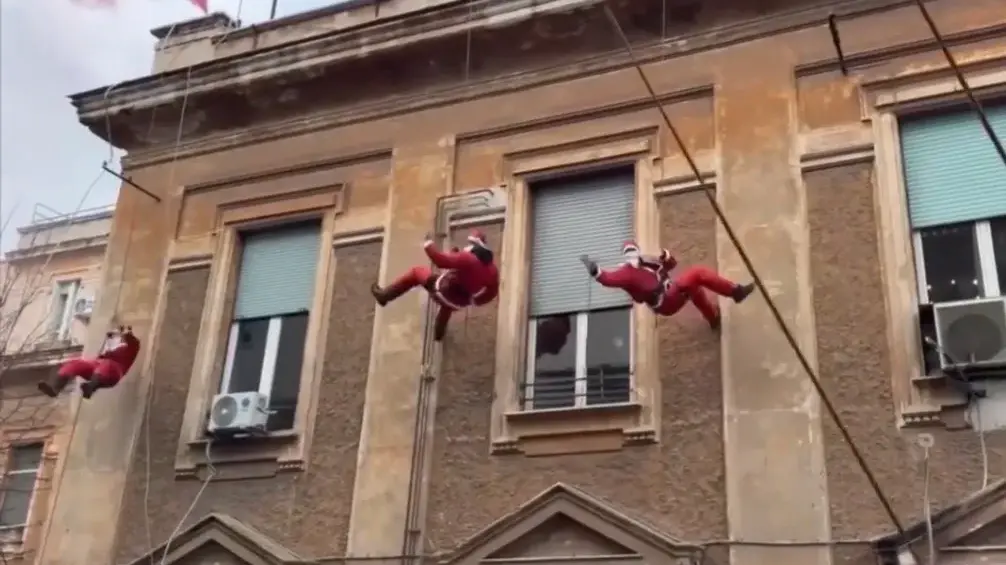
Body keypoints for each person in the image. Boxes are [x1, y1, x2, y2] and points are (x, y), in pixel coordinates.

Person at [580, 241, 755, 330]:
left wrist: (665, 256)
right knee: (697, 274)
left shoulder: (647, 262)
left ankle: (713, 318)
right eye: (628, 252)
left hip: (671, 293)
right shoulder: (626, 273)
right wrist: (595, 270)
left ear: (638, 251)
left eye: (633, 250)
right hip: (664, 300)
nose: (631, 254)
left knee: (694, 289)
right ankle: (735, 292)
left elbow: (671, 265)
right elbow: (608, 279)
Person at [371, 228, 500, 341]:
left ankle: (384, 296)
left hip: (443, 291)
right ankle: (439, 334)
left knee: (416, 273)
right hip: (460, 301)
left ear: (475, 247)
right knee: (447, 307)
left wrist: (428, 243)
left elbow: (440, 261)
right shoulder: (492, 270)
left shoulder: (468, 259)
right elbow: (491, 292)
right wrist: (474, 301)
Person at [37, 325, 141, 399]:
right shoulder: (111, 347)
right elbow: (104, 354)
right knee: (76, 364)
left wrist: (123, 333)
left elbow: (131, 340)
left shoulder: (131, 347)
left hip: (114, 372)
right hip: (98, 369)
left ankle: (90, 387)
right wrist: (110, 339)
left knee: (106, 365)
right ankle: (55, 388)